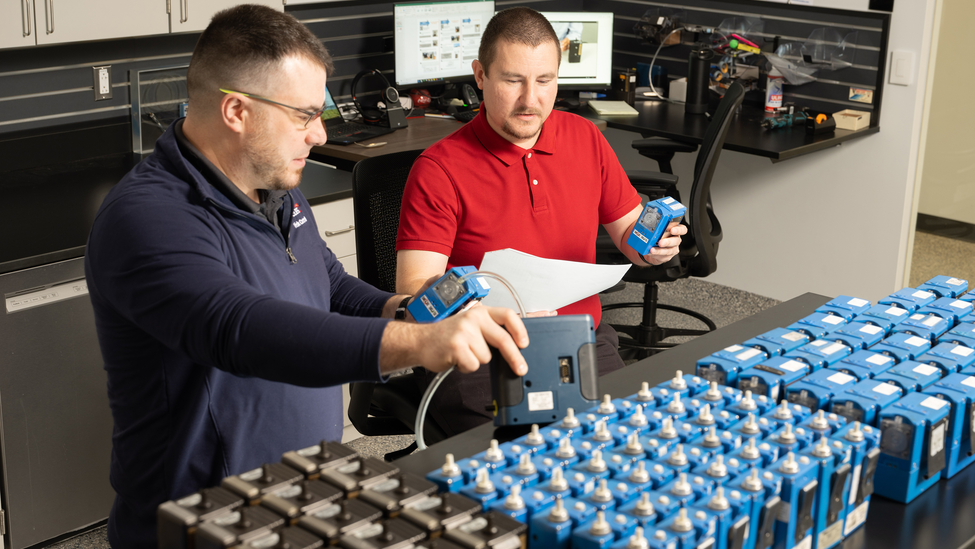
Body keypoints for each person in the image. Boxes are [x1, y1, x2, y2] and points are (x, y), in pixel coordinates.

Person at [83, 5, 528, 547]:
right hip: (201, 522)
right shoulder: (148, 217)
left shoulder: (275, 186)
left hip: (300, 493)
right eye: (304, 115)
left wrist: (408, 311)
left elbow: (329, 284)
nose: (320, 134)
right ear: (236, 111)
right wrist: (416, 343)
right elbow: (239, 328)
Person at [395, 7, 686, 437]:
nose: (530, 99)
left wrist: (655, 247)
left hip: (579, 338)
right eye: (513, 80)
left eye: (545, 81)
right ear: (480, 76)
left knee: (629, 440)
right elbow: (414, 291)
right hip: (481, 353)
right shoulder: (439, 169)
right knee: (526, 461)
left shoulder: (586, 137)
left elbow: (630, 235)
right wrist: (486, 313)